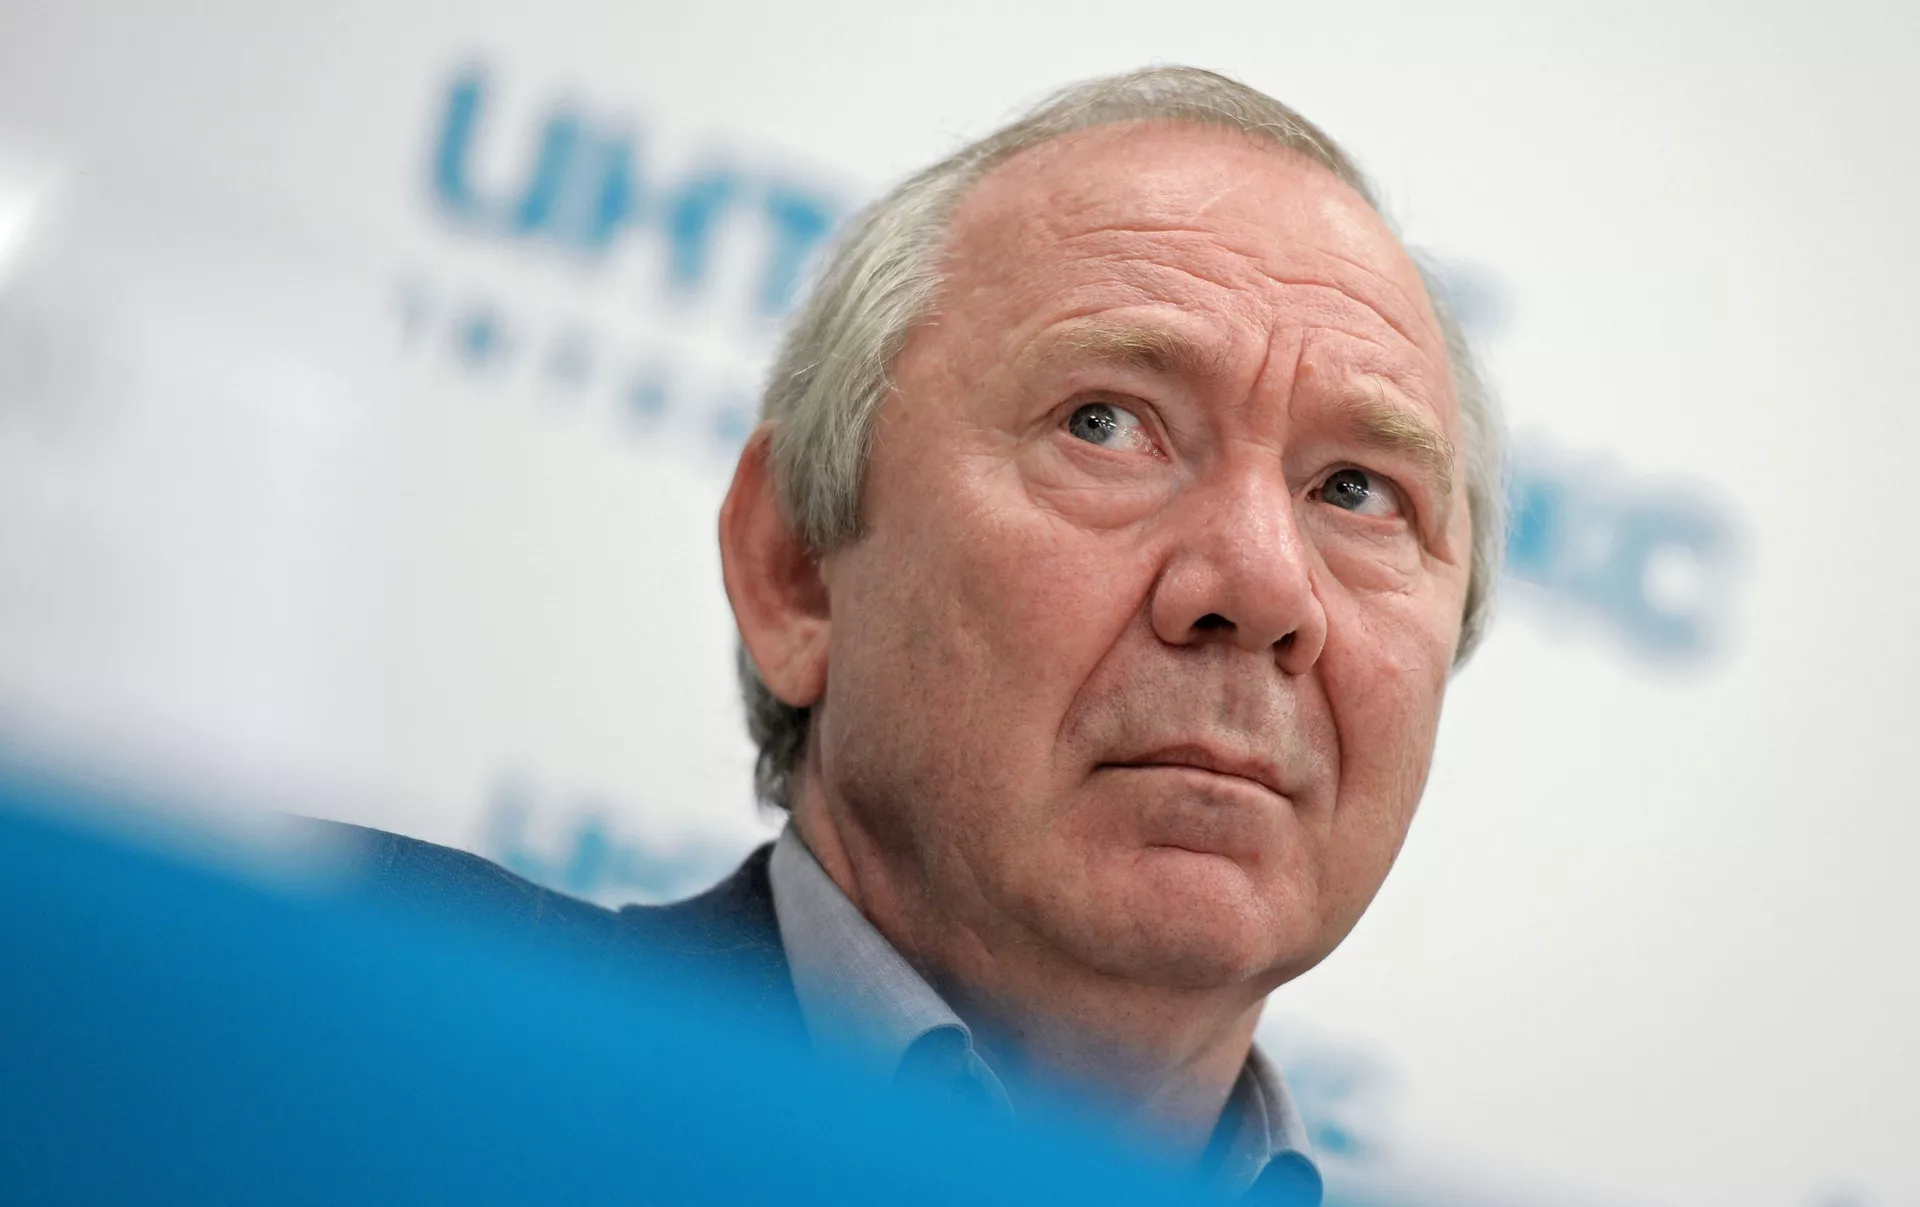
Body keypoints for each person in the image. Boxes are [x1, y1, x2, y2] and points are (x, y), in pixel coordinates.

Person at [340, 65, 1504, 1205]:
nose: (1263, 584)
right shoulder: (360, 1021)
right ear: (797, 568)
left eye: (1358, 491)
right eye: (1105, 424)